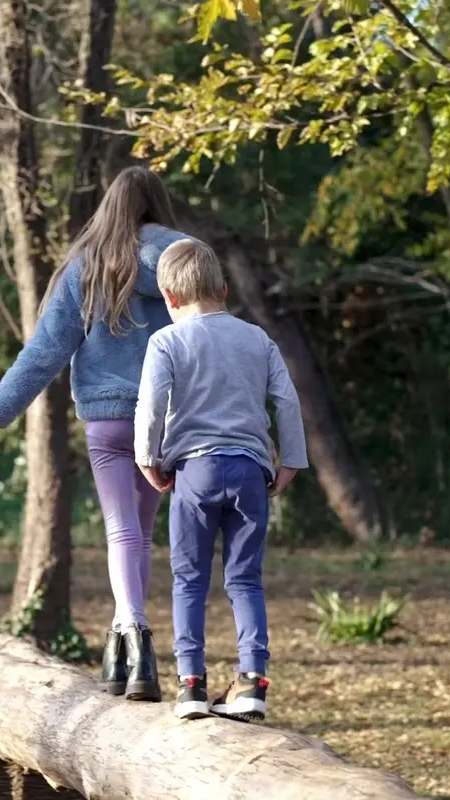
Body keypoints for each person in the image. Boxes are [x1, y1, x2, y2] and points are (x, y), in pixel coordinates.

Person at [0, 167, 195, 703]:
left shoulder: (87, 268)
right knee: (141, 533)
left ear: (109, 206)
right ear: (158, 204)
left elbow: (44, 352)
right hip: (166, 419)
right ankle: (129, 648)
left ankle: (131, 639)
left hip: (109, 420)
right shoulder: (185, 263)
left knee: (123, 532)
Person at [134, 239, 307, 723]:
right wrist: (291, 460)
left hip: (195, 473)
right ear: (225, 289)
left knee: (189, 579)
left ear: (169, 297)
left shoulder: (166, 341)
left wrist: (147, 457)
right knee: (245, 578)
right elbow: (286, 400)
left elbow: (151, 404)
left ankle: (191, 683)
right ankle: (252, 681)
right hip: (250, 471)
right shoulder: (257, 339)